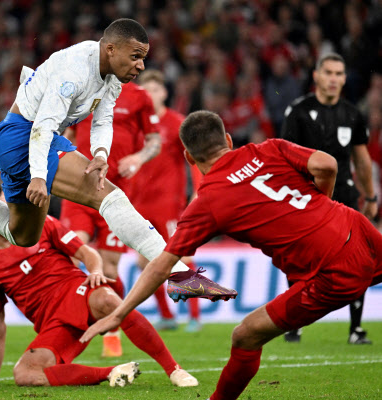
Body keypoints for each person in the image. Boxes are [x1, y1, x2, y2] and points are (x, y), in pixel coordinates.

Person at [0, 19, 236, 300]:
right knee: (108, 196)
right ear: (110, 49)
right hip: (25, 137)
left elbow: (103, 118)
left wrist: (99, 154)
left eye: (144, 57)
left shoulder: (111, 75)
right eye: (136, 56)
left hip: (28, 141)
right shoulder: (74, 71)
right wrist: (37, 176)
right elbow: (44, 125)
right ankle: (179, 276)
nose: (141, 65)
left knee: (22, 235)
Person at [81, 110, 382, 400]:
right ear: (228, 139)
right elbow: (327, 165)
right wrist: (321, 203)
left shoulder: (207, 202)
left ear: (189, 157)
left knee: (245, 335)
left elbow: (161, 266)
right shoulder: (270, 148)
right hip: (356, 227)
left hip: (331, 270)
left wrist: (119, 314)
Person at [0, 182, 198, 388]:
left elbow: (87, 253)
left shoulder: (42, 225)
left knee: (107, 299)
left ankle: (174, 369)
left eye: (6, 205)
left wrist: (95, 270)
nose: (4, 212)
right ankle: (112, 373)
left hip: (77, 292)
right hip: (53, 324)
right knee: (25, 374)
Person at [280, 53, 378, 344]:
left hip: (345, 196)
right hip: (306, 198)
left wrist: (371, 196)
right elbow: (284, 157)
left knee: (356, 259)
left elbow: (362, 158)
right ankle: (294, 322)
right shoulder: (298, 111)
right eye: (329, 73)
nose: (334, 79)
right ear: (316, 76)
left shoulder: (352, 114)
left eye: (339, 74)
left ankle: (356, 329)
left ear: (345, 79)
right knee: (299, 260)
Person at [60, 80, 163, 356]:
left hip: (115, 195)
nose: (136, 66)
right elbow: (66, 132)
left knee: (109, 270)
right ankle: (65, 329)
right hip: (79, 190)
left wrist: (139, 158)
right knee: (69, 256)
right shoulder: (84, 89)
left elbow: (155, 142)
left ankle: (112, 330)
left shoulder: (139, 96)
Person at [134, 69, 202, 332]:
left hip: (169, 204)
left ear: (164, 93)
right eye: (145, 90)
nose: (150, 94)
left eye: (155, 89)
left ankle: (195, 315)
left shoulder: (177, 123)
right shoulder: (135, 124)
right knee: (144, 262)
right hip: (139, 204)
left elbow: (195, 160)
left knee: (182, 257)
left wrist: (198, 190)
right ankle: (167, 316)